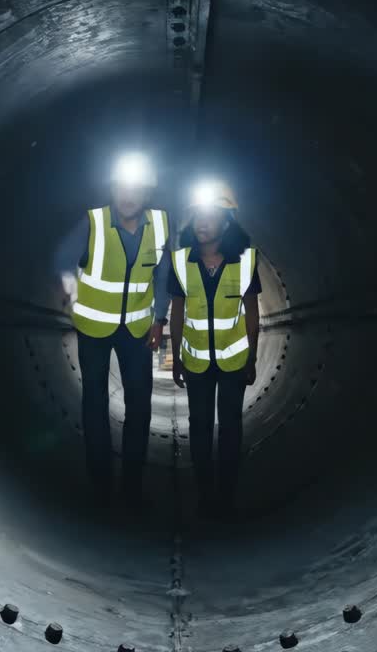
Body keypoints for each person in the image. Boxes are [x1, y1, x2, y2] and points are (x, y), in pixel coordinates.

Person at [55, 153, 171, 508]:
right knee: (95, 402)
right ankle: (100, 479)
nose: (128, 195)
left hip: (136, 328)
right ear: (113, 188)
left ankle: (132, 483)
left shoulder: (161, 225)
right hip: (94, 327)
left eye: (136, 188)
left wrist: (159, 319)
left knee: (139, 406)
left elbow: (163, 276)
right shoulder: (94, 222)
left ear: (147, 193)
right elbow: (63, 258)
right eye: (122, 186)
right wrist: (70, 286)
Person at [169, 181, 261, 519]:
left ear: (226, 222)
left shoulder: (245, 261)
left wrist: (252, 356)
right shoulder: (181, 262)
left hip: (234, 360)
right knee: (200, 426)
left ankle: (227, 497)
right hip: (195, 360)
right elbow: (176, 312)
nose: (201, 223)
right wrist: (177, 356)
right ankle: (205, 496)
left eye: (210, 216)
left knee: (231, 428)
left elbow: (252, 312)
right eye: (197, 216)